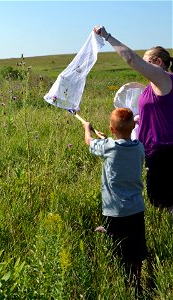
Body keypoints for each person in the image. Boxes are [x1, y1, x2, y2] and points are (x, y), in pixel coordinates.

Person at [94, 26, 173, 212]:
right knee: (161, 202)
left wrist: (107, 36)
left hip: (165, 153)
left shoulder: (162, 79)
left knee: (166, 204)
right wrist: (139, 119)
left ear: (158, 62)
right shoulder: (156, 85)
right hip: (156, 152)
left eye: (146, 62)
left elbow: (131, 59)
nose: (142, 66)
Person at [83, 108, 147, 296]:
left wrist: (88, 128)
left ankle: (121, 281)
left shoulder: (108, 147)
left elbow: (89, 142)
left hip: (114, 210)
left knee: (117, 248)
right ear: (133, 126)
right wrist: (106, 139)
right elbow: (120, 145)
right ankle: (136, 285)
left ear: (111, 129)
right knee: (136, 251)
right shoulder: (139, 147)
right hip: (136, 209)